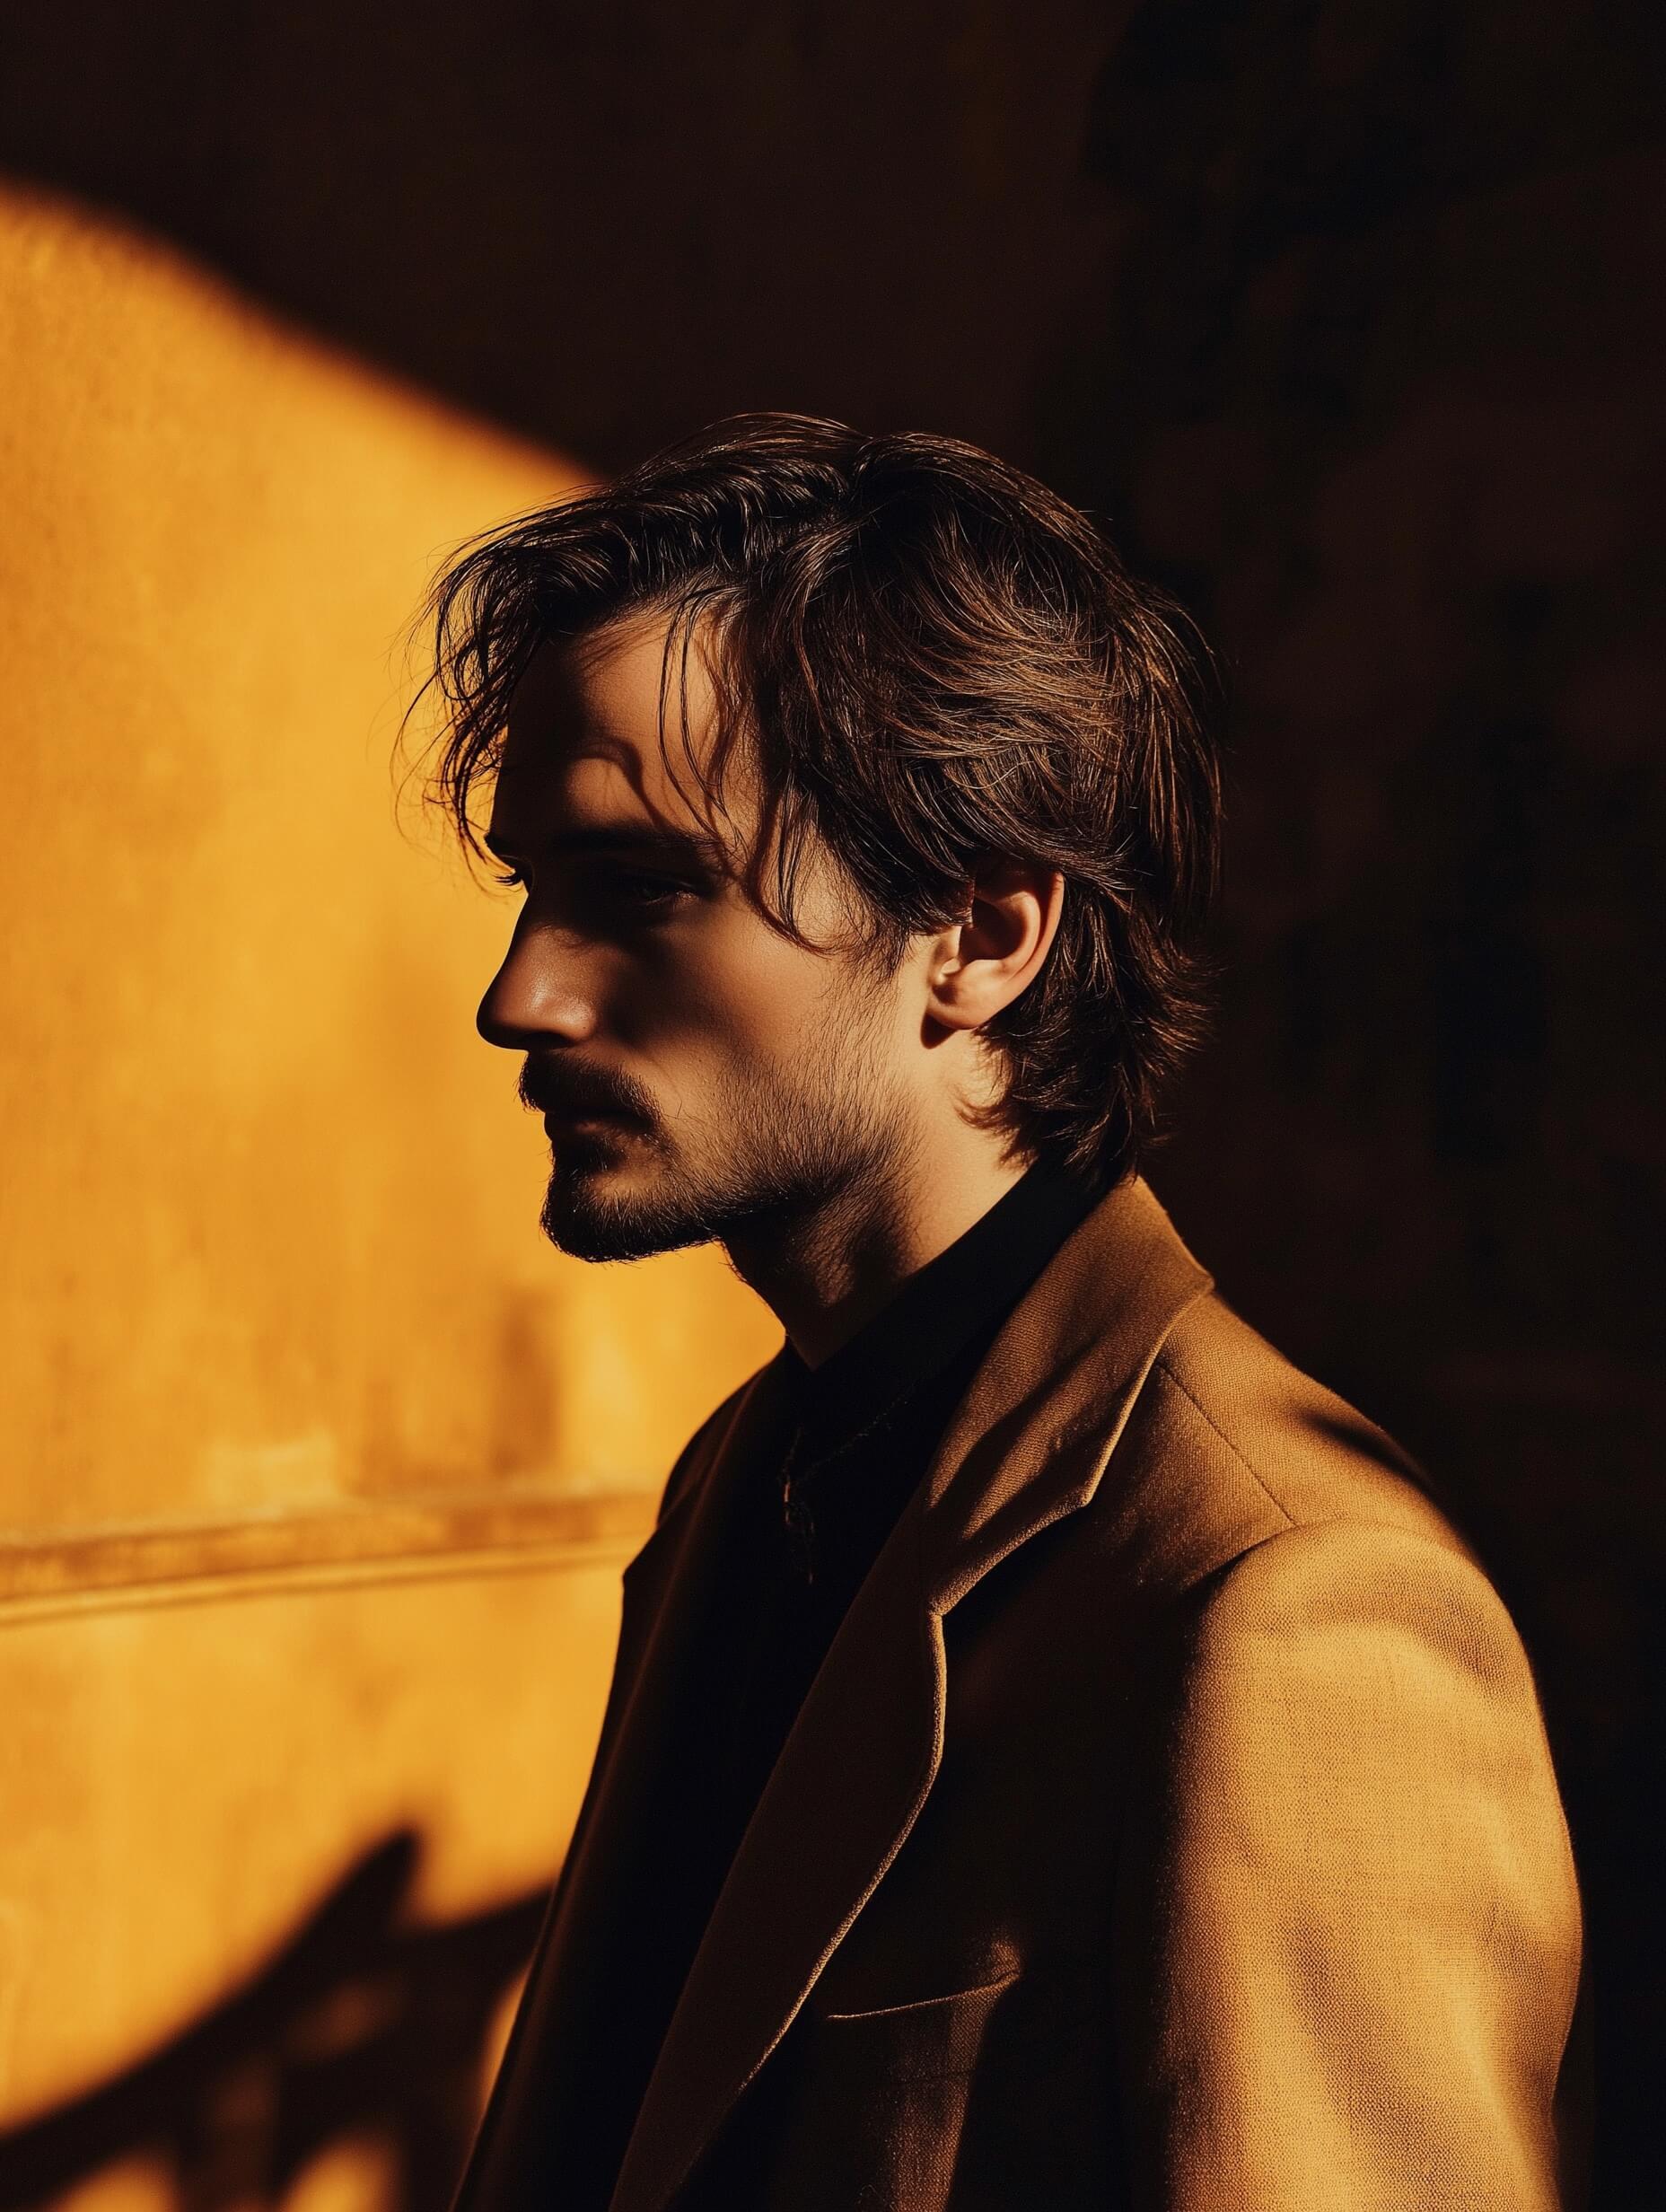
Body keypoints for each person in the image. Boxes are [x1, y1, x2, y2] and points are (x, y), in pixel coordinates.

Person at [412, 415, 1583, 2211]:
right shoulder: (758, 1466)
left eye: (640, 888)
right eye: (532, 888)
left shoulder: (1284, 1597)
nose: (519, 995)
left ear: (979, 935)